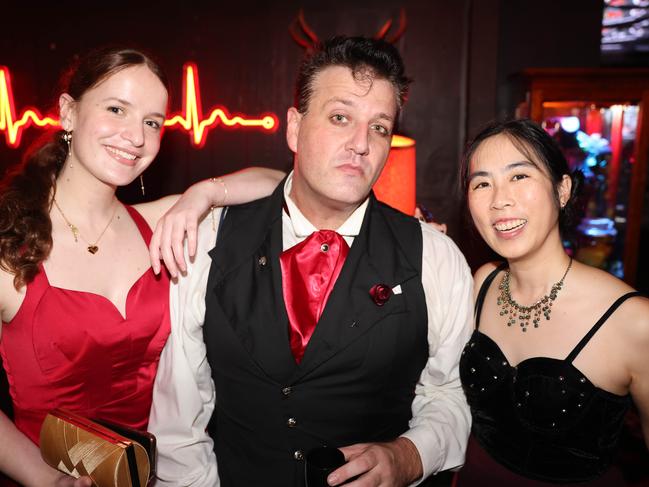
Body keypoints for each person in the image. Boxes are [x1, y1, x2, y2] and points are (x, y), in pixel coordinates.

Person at [149, 36, 474, 487]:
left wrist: (409, 455)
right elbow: (178, 416)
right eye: (340, 118)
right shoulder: (209, 240)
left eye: (379, 127)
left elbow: (448, 392)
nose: (361, 144)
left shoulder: (435, 258)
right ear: (295, 129)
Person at [0, 47, 282, 486]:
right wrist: (48, 480)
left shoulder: (159, 222)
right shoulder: (8, 243)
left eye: (152, 122)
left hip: (153, 475)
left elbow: (279, 184)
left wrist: (203, 194)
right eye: (117, 109)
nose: (136, 137)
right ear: (69, 113)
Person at [455, 118, 649, 485]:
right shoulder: (484, 281)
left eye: (519, 176)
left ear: (562, 190)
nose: (500, 200)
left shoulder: (635, 321)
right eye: (482, 183)